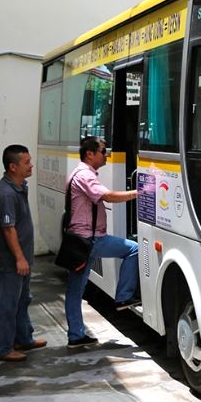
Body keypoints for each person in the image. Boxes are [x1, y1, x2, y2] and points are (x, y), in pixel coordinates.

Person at [64, 136, 138, 348]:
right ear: (90, 154)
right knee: (132, 249)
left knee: (74, 290)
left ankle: (76, 335)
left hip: (80, 240)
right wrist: (139, 193)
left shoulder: (79, 173)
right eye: (103, 151)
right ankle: (123, 297)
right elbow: (108, 196)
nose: (106, 155)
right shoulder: (85, 176)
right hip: (90, 239)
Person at [0, 144, 46, 362]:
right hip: (10, 262)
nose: (31, 165)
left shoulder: (19, 187)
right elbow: (8, 229)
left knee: (22, 300)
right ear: (13, 167)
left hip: (22, 260)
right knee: (7, 304)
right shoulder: (6, 194)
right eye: (27, 162)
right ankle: (0, 348)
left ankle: (23, 338)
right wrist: (20, 258)